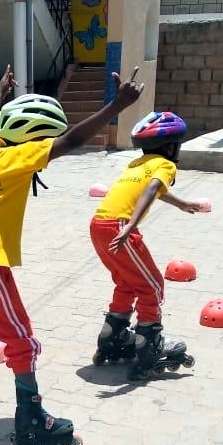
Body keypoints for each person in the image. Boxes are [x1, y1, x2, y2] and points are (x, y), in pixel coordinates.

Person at [0, 64, 144, 445]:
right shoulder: (21, 158)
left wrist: (0, 93)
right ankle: (31, 422)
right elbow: (72, 140)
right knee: (21, 339)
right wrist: (116, 106)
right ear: (33, 142)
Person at [89, 111, 205, 381]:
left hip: (99, 225)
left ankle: (112, 336)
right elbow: (152, 190)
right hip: (120, 227)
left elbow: (153, 190)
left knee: (128, 283)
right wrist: (129, 225)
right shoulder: (166, 166)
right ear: (171, 146)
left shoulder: (136, 164)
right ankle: (149, 347)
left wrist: (182, 203)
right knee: (152, 285)